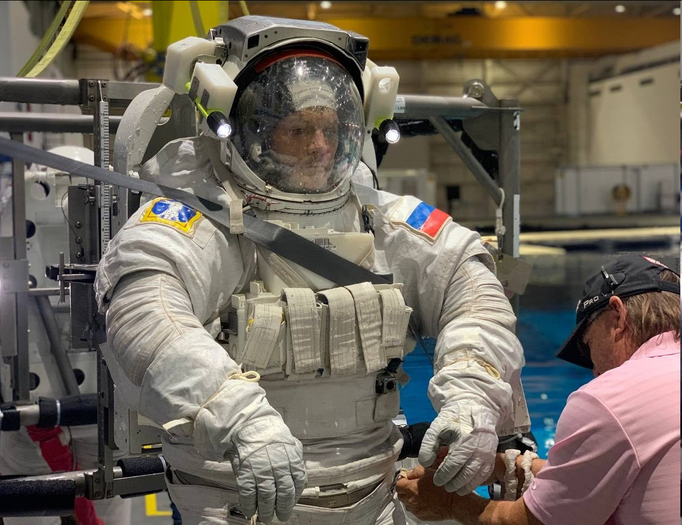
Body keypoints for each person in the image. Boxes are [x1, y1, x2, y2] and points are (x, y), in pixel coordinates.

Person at [95, 16, 527, 524]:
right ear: (252, 132)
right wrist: (239, 416)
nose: (321, 147)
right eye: (299, 130)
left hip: (376, 496)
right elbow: (147, 316)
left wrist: (473, 394)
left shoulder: (379, 217)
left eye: (332, 129)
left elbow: (471, 292)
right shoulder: (198, 220)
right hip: (240, 497)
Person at [397, 254, 681, 524]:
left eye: (588, 345)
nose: (594, 369)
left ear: (617, 315)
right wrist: (502, 466)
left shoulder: (610, 399)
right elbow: (588, 476)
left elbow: (539, 522)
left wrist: (449, 504)